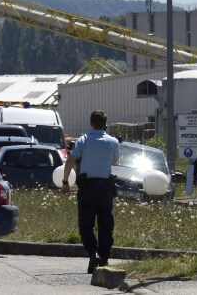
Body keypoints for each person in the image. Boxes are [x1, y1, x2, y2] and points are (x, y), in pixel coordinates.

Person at [61, 110, 120, 274]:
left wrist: (65, 181)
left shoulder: (83, 140)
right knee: (105, 223)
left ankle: (92, 252)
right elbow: (115, 160)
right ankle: (104, 257)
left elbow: (70, 161)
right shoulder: (112, 141)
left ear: (91, 123)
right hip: (105, 188)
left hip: (87, 188)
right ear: (105, 124)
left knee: (86, 224)